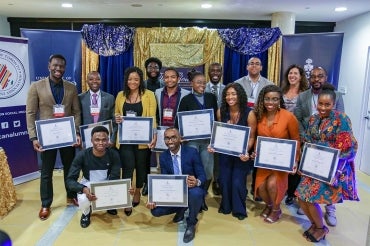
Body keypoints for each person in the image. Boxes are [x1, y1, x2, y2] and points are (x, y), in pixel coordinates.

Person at [295, 84, 358, 242]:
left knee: (310, 198)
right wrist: (303, 163)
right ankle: (315, 224)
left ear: (334, 104)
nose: (323, 107)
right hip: (312, 166)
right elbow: (307, 142)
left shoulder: (341, 119)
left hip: (331, 168)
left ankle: (321, 228)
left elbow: (346, 149)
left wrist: (336, 171)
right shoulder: (313, 119)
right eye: (320, 104)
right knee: (300, 197)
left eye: (327, 104)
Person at [26, 54, 81, 221]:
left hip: (67, 135)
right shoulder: (36, 86)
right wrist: (33, 137)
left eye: (62, 66)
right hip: (46, 137)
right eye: (55, 65)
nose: (58, 69)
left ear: (65, 68)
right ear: (49, 66)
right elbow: (30, 113)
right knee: (46, 172)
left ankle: (71, 196)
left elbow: (77, 112)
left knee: (69, 168)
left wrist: (77, 133)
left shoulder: (71, 87)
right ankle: (46, 204)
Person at [294, 66, 345, 226]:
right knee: (309, 177)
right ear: (309, 78)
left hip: (329, 149)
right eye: (313, 76)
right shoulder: (303, 96)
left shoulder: (336, 96)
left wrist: (335, 146)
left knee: (329, 180)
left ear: (326, 77)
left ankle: (330, 209)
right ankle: (308, 200)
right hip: (309, 145)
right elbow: (298, 119)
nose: (316, 79)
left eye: (320, 76)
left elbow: (341, 119)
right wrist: (304, 139)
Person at [146, 127, 206, 243]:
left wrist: (197, 181)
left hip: (190, 189)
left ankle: (191, 223)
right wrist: (153, 199)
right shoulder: (163, 157)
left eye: (173, 137)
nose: (170, 141)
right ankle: (181, 208)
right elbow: (164, 181)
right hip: (175, 193)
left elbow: (202, 175)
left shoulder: (192, 152)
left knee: (196, 193)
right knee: (155, 211)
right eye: (167, 138)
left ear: (180, 139)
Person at [208, 83, 257, 220]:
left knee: (237, 182)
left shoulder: (250, 113)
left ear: (240, 95)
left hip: (241, 155)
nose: (230, 97)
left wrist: (245, 151)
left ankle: (239, 209)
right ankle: (226, 205)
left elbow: (252, 136)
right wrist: (213, 146)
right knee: (223, 180)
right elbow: (218, 133)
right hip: (225, 154)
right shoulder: (220, 111)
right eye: (227, 94)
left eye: (233, 94)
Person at [254, 85, 300, 223]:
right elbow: (257, 137)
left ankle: (276, 209)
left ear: (279, 100)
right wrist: (256, 150)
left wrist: (295, 161)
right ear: (262, 100)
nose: (270, 102)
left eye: (274, 99)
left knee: (272, 185)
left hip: (282, 161)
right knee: (261, 187)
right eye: (267, 99)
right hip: (265, 160)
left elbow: (296, 139)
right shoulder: (259, 116)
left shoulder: (289, 117)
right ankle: (269, 205)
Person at [115, 66, 157, 215]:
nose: (133, 82)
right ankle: (127, 197)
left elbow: (152, 117)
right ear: (126, 80)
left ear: (141, 81)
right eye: (130, 79)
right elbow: (117, 114)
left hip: (142, 140)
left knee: (140, 167)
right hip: (125, 140)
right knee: (127, 167)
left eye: (136, 79)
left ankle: (137, 192)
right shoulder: (120, 95)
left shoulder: (149, 95)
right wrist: (117, 118)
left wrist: (153, 135)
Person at [176, 69, 218, 211]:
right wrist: (180, 136)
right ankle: (193, 197)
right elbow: (179, 121)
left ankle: (202, 197)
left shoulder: (211, 97)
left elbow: (216, 118)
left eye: (204, 82)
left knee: (207, 171)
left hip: (207, 141)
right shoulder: (186, 99)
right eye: (199, 82)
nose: (202, 85)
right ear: (191, 84)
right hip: (191, 141)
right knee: (193, 169)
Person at [66, 126, 122, 228]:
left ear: (108, 140)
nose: (101, 143)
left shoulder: (113, 154)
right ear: (91, 140)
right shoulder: (82, 155)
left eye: (104, 139)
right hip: (88, 183)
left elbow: (115, 177)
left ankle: (109, 206)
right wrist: (83, 189)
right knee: (83, 199)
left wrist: (108, 193)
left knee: (119, 190)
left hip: (106, 182)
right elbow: (70, 181)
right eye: (97, 140)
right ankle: (86, 213)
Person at [234, 57, 273, 199]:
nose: (254, 66)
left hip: (263, 125)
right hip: (244, 126)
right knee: (243, 157)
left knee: (258, 158)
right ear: (247, 67)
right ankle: (240, 189)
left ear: (262, 67)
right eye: (251, 63)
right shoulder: (238, 84)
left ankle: (257, 190)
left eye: (257, 64)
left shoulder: (269, 84)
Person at [281, 65, 309, 206]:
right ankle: (283, 189)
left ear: (301, 76)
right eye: (290, 73)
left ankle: (292, 193)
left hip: (297, 132)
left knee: (295, 163)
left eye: (295, 73)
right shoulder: (282, 91)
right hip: (283, 132)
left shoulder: (305, 93)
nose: (292, 75)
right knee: (284, 162)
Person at [143, 57, 164, 196]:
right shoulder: (142, 85)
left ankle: (163, 183)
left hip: (162, 124)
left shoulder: (164, 84)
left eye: (156, 67)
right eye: (150, 67)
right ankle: (146, 183)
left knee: (162, 157)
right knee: (145, 156)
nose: (153, 70)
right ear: (146, 69)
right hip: (145, 124)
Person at [78, 71, 117, 146]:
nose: (94, 81)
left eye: (97, 79)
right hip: (86, 140)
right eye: (91, 79)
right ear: (87, 81)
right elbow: (78, 119)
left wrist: (112, 139)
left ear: (101, 81)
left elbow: (114, 121)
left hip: (104, 141)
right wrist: (78, 136)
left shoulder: (110, 98)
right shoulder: (80, 98)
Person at [205, 62, 225, 196]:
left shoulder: (228, 89)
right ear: (208, 73)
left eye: (218, 71)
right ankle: (205, 180)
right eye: (213, 71)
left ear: (222, 73)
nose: (215, 73)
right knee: (206, 155)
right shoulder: (201, 87)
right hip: (205, 128)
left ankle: (217, 180)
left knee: (218, 157)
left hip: (222, 128)